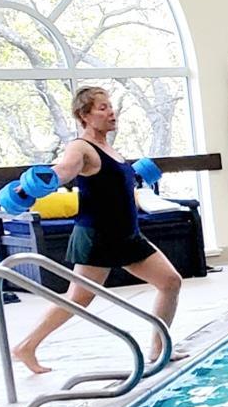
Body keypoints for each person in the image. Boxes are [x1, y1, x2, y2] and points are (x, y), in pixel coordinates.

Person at [12, 86, 188, 374]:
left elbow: (117, 186)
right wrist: (31, 186)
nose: (111, 112)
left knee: (170, 282)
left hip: (127, 234)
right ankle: (26, 346)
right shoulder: (80, 147)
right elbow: (64, 172)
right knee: (79, 298)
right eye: (102, 108)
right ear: (84, 115)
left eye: (110, 106)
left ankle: (158, 348)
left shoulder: (110, 148)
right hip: (98, 236)